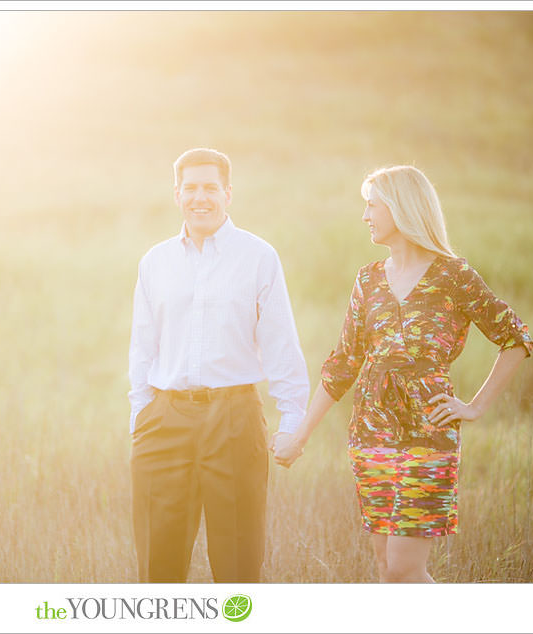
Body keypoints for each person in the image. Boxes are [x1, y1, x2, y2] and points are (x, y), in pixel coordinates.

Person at [271, 165, 533, 583]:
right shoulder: (368, 280)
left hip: (428, 437)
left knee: (403, 567)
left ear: (400, 207)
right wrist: (300, 435)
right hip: (370, 437)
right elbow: (343, 364)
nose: (365, 215)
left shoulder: (453, 276)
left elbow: (515, 338)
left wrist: (475, 406)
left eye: (371, 205)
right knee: (385, 569)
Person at [128, 148, 310, 582]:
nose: (200, 198)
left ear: (228, 193)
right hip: (164, 420)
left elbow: (280, 341)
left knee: (237, 562)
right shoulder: (156, 261)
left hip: (233, 418)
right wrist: (141, 415)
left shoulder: (258, 256)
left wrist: (292, 420)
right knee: (158, 564)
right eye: (190, 188)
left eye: (210, 187)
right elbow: (142, 345)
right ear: (177, 194)